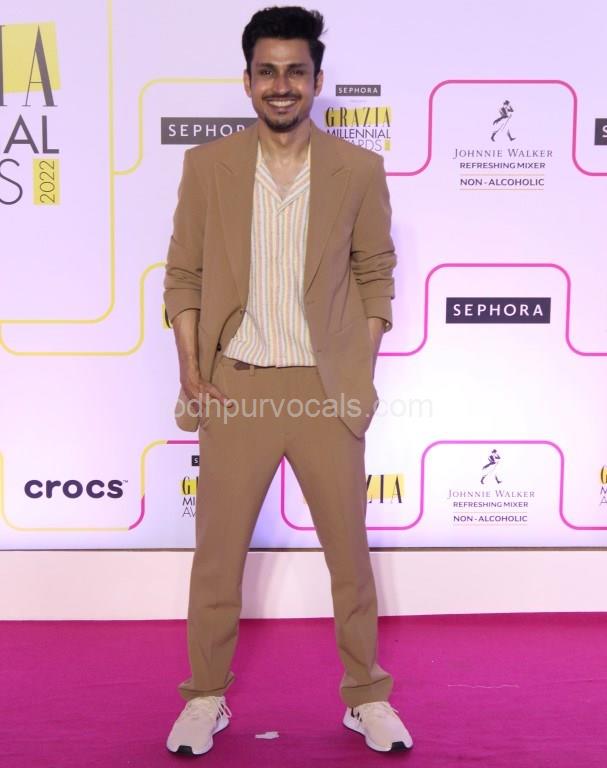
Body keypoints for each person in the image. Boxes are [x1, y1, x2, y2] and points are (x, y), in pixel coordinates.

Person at [163, 5, 413, 756]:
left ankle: (366, 696)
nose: (281, 85)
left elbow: (376, 274)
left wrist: (358, 367)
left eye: (295, 71)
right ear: (246, 81)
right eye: (267, 71)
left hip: (324, 389)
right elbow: (184, 276)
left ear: (316, 80)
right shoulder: (207, 166)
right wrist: (192, 374)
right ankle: (205, 696)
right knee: (218, 559)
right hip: (235, 386)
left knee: (349, 556)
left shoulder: (357, 170)